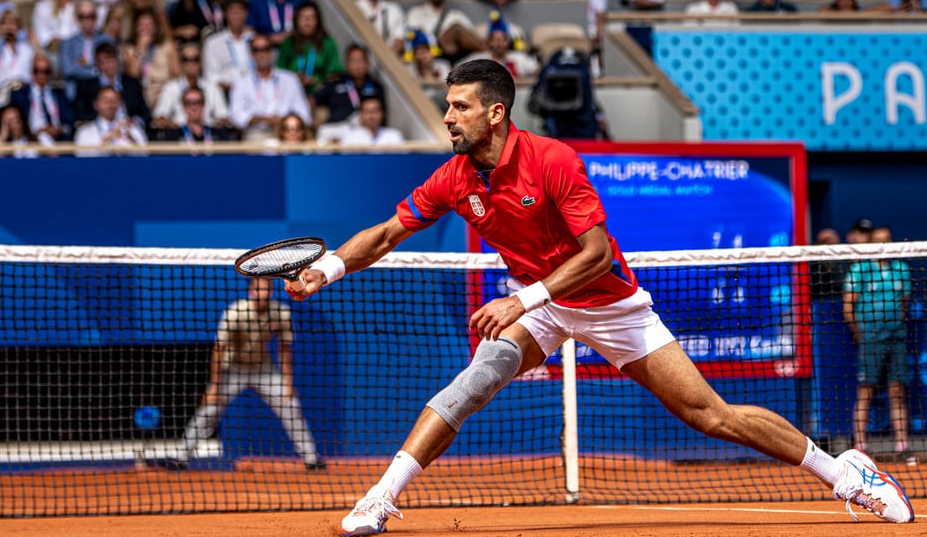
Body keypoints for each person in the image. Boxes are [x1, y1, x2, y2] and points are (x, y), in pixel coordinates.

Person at [283, 60, 915, 535]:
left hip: (611, 306)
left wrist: (523, 299)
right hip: (545, 308)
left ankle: (845, 472)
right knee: (471, 384)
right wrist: (330, 267)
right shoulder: (454, 176)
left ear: (495, 113)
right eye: (447, 107)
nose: (447, 118)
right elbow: (390, 231)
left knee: (709, 415)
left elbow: (598, 255)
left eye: (458, 108)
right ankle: (381, 498)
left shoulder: (553, 160)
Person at [172, 277, 324, 470]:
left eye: (267, 290)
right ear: (252, 291)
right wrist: (214, 387)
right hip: (233, 368)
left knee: (290, 405)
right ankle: (180, 458)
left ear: (271, 292)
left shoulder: (281, 313)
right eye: (259, 290)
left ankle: (311, 459)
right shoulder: (235, 312)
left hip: (264, 368)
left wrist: (288, 383)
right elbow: (219, 350)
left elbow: (285, 349)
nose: (263, 294)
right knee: (209, 409)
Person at [844, 225, 912, 460]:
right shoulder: (860, 269)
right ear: (872, 243)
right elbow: (848, 306)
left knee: (897, 392)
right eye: (879, 241)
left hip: (896, 338)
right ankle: (860, 447)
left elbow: (904, 302)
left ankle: (902, 445)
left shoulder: (901, 269)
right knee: (866, 391)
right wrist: (860, 333)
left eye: (887, 240)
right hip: (870, 339)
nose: (884, 245)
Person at [227, 34, 312, 142]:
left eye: (265, 49)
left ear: (272, 52)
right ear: (252, 55)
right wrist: (262, 119)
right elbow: (236, 116)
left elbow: (304, 114)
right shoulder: (241, 83)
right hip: (256, 133)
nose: (261, 54)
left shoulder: (290, 79)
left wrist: (284, 121)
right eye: (257, 50)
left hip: (287, 133)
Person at [277, 2, 342, 97]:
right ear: (296, 21)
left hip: (320, 95)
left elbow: (334, 73)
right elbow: (280, 72)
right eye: (303, 18)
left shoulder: (328, 43)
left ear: (318, 21)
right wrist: (296, 78)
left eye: (311, 18)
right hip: (291, 93)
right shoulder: (288, 43)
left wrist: (318, 82)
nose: (307, 23)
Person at [315, 43, 387, 125]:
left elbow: (383, 114)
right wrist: (314, 120)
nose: (357, 66)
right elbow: (312, 101)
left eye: (360, 61)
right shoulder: (334, 84)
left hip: (366, 130)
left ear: (367, 63)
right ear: (346, 63)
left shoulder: (376, 87)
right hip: (337, 130)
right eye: (353, 61)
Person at [337, 95, 405, 147]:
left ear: (384, 114)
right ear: (360, 114)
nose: (371, 116)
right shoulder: (350, 137)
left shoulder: (394, 135)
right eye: (367, 111)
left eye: (375, 111)